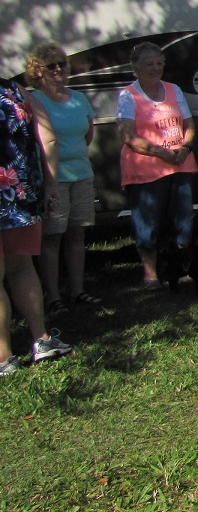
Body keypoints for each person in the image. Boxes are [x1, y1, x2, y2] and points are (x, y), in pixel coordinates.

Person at [0, 76, 72, 376]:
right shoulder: (16, 91)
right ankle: (41, 339)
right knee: (22, 267)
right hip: (21, 191)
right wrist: (50, 184)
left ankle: (4, 357)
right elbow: (48, 138)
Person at [25, 42, 100, 315]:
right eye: (51, 66)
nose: (58, 69)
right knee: (52, 237)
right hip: (52, 178)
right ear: (37, 71)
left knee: (77, 234)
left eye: (62, 64)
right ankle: (53, 296)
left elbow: (87, 135)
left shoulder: (79, 98)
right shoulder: (34, 100)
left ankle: (79, 291)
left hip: (81, 173)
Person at [116, 42, 198, 291]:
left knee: (183, 221)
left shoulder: (174, 90)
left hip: (180, 164)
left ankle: (183, 269)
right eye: (149, 64)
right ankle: (150, 275)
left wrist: (184, 148)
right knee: (147, 223)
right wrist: (163, 153)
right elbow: (128, 136)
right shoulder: (128, 96)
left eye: (160, 63)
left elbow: (189, 125)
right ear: (135, 68)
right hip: (146, 169)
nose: (156, 68)